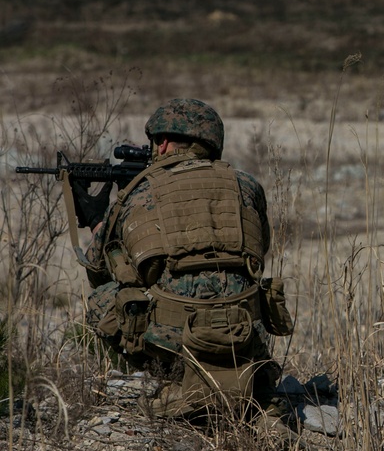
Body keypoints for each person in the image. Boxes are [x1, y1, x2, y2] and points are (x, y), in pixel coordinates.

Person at [75, 98, 292, 418]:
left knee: (102, 300)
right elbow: (261, 249)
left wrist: (97, 220)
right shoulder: (246, 184)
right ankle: (249, 381)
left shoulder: (139, 190)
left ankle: (175, 380)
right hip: (243, 331)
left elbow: (99, 270)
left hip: (176, 337)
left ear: (162, 143)